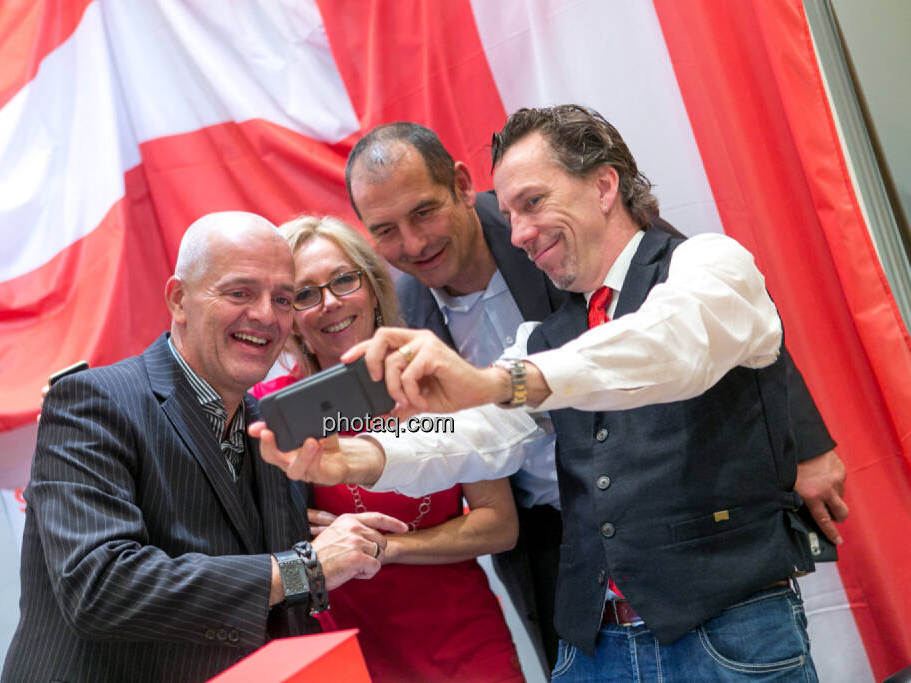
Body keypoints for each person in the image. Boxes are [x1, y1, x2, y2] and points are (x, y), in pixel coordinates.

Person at [255, 106, 824, 681]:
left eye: (533, 203)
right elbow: (477, 433)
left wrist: (499, 382)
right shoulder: (543, 334)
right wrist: (357, 457)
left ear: (603, 186)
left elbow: (665, 345)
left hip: (726, 628)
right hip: (594, 645)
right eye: (508, 215)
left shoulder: (709, 262)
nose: (519, 234)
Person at [2, 212, 406, 683]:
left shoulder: (270, 429)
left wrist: (321, 562)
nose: (265, 315)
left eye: (282, 298)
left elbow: (284, 606)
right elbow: (101, 586)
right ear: (179, 299)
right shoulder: (90, 402)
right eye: (239, 293)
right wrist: (306, 566)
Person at [251, 215, 525, 683]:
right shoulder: (269, 411)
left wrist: (387, 548)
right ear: (290, 316)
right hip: (344, 652)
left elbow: (500, 525)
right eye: (305, 294)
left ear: (374, 288)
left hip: (465, 645)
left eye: (344, 280)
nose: (330, 303)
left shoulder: (436, 379)